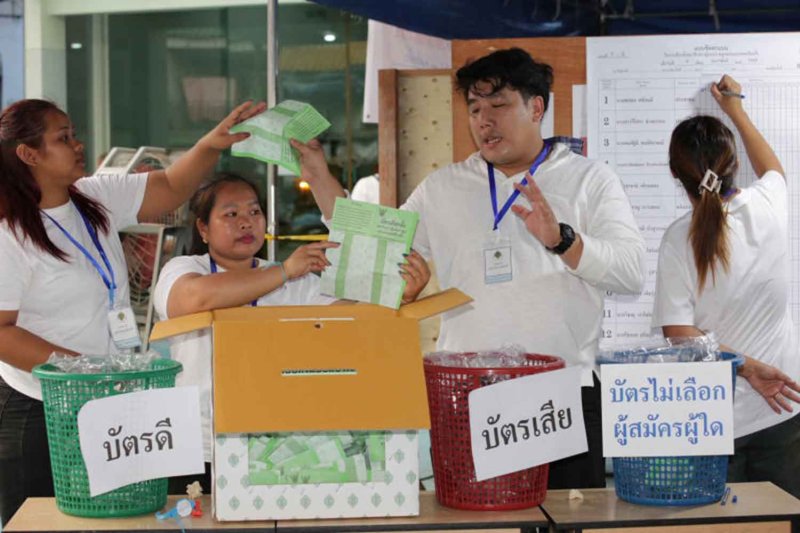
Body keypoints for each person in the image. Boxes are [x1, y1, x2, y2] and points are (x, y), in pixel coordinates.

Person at [293, 48, 646, 489]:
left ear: (536, 108)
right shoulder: (443, 187)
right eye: (475, 109)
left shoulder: (589, 179)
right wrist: (320, 176)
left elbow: (631, 272)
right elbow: (374, 252)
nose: (484, 121)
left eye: (498, 106)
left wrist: (563, 240)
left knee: (565, 519)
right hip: (470, 394)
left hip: (562, 391)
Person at [0, 97, 265, 524]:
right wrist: (81, 370)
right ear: (29, 155)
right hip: (39, 407)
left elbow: (171, 187)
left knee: (109, 521)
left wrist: (213, 143)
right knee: (44, 524)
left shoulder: (91, 196)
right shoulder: (10, 232)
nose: (78, 144)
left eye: (74, 133)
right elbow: (2, 333)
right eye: (63, 138)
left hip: (107, 400)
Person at [152, 173, 430, 491]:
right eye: (231, 214)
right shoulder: (186, 269)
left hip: (277, 451)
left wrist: (400, 296)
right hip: (199, 448)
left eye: (254, 212)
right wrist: (283, 271)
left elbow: (354, 323)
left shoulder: (297, 283)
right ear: (203, 228)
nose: (246, 222)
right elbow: (194, 298)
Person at [652, 75, 800, 497]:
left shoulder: (678, 238)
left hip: (712, 421)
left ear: (675, 174)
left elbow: (680, 336)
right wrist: (735, 108)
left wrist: (747, 368)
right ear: (732, 162)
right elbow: (771, 166)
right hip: (784, 407)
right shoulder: (769, 202)